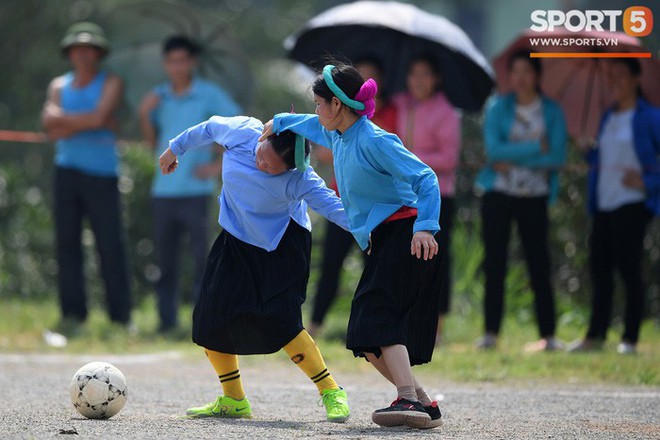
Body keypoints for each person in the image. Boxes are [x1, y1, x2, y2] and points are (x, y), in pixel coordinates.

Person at [261, 62, 444, 429]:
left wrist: (426, 227)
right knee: (362, 332)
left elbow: (426, 177)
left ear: (338, 105)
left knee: (378, 316)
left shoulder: (375, 140)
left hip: (404, 233)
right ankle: (422, 402)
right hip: (381, 240)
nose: (316, 110)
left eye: (318, 103)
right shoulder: (339, 134)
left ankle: (407, 399)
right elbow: (310, 126)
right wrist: (279, 121)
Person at [157, 115, 351, 422]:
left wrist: (373, 231)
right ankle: (234, 399)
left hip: (281, 246)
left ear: (290, 169)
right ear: (263, 138)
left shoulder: (301, 178)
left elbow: (332, 205)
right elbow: (207, 128)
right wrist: (175, 149)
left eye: (272, 168)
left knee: (283, 322)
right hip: (235, 238)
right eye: (262, 156)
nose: (262, 165)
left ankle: (331, 391)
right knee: (210, 319)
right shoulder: (244, 131)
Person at [138, 35, 241, 333]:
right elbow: (151, 143)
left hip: (196, 192)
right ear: (165, 64)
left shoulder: (209, 95)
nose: (177, 66)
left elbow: (240, 129)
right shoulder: (158, 97)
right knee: (165, 260)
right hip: (163, 191)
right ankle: (166, 323)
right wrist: (145, 114)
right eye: (171, 61)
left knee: (202, 259)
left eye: (182, 60)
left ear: (192, 62)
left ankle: (203, 321)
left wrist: (217, 166)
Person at [41, 22, 131, 335]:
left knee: (110, 245)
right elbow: (49, 126)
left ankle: (120, 317)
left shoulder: (112, 82)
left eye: (88, 48)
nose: (82, 54)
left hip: (102, 173)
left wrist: (67, 120)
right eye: (77, 48)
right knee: (67, 244)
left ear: (98, 52)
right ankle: (73, 315)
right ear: (70, 53)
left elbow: (92, 117)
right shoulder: (58, 85)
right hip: (66, 170)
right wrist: (92, 120)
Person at [475, 49, 567, 352]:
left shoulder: (551, 111)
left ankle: (549, 335)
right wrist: (534, 149)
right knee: (495, 263)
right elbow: (494, 151)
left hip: (535, 197)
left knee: (539, 263)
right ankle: (490, 332)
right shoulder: (497, 106)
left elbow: (556, 156)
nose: (521, 78)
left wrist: (514, 155)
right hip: (498, 194)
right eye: (516, 71)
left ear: (538, 75)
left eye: (527, 71)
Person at [568, 58, 660, 355]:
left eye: (621, 75)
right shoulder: (608, 116)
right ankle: (595, 335)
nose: (615, 82)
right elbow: (603, 161)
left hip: (632, 204)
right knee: (600, 270)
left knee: (629, 270)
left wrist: (647, 180)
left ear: (636, 79)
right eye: (612, 77)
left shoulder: (650, 116)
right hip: (604, 205)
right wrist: (587, 151)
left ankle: (630, 338)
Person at [308, 57, 396, 338]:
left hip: (376, 209)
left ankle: (382, 328)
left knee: (379, 271)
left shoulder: (382, 123)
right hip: (342, 202)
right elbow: (323, 150)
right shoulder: (337, 120)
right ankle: (315, 325)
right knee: (330, 265)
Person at [392, 54, 460, 346]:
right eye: (414, 74)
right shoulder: (400, 104)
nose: (419, 81)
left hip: (438, 197)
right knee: (405, 262)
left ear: (436, 79)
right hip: (405, 197)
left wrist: (410, 160)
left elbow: (448, 158)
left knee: (436, 261)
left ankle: (438, 327)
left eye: (425, 74)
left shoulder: (446, 112)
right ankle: (406, 322)